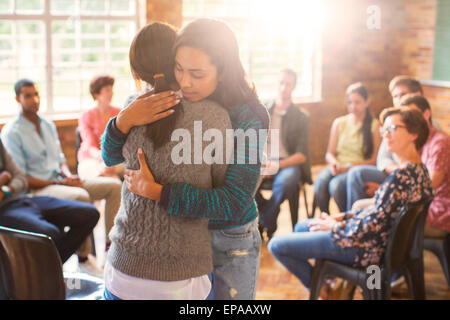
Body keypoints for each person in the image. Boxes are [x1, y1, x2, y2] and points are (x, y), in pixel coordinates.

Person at [101, 18, 270, 300]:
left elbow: (234, 200)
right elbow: (110, 154)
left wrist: (160, 192)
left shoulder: (250, 116)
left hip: (229, 236)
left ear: (223, 71)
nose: (185, 82)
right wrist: (123, 120)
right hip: (188, 240)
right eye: (178, 68)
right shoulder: (168, 101)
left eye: (197, 74)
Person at [268, 107, 433, 295]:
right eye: (384, 130)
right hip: (373, 242)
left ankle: (325, 290)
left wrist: (334, 226)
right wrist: (343, 217)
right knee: (302, 227)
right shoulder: (419, 171)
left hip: (362, 248)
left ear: (413, 134)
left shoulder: (400, 177)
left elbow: (371, 225)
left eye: (393, 128)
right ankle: (329, 282)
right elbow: (379, 212)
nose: (386, 135)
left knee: (276, 245)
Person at [1, 79, 122, 268]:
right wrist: (60, 183)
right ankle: (84, 257)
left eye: (36, 94)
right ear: (18, 98)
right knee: (80, 196)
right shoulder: (11, 132)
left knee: (114, 187)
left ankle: (110, 248)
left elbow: (60, 159)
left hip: (60, 181)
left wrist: (68, 176)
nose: (34, 99)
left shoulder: (47, 125)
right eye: (28, 95)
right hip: (39, 189)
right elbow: (22, 178)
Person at [0, 138, 100, 265]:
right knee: (51, 234)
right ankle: (50, 271)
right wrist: (5, 177)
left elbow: (20, 178)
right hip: (4, 210)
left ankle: (49, 269)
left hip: (23, 199)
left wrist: (5, 188)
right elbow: (10, 175)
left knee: (90, 213)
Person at [345, 76, 424, 210]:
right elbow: (382, 158)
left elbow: (415, 177)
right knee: (347, 179)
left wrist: (390, 184)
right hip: (394, 173)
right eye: (395, 96)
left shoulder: (422, 128)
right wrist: (395, 176)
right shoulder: (393, 120)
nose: (399, 100)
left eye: (403, 95)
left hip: (402, 180)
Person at [255, 68, 311, 239]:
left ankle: (265, 220)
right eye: (281, 83)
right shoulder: (262, 109)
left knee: (286, 182)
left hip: (288, 163)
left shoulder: (301, 116)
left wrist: (277, 165)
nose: (283, 88)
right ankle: (269, 217)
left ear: (293, 87)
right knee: (244, 177)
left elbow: (302, 155)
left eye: (288, 84)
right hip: (264, 160)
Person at [313, 82, 380, 213]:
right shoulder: (339, 123)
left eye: (357, 102)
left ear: (367, 102)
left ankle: (348, 218)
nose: (353, 106)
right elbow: (329, 153)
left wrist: (347, 168)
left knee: (336, 186)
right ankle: (325, 217)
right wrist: (334, 163)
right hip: (338, 166)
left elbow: (374, 160)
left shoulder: (375, 126)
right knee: (320, 183)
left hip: (356, 169)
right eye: (350, 102)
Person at [396, 95, 450, 238]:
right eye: (406, 118)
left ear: (426, 114)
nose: (409, 122)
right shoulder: (419, 138)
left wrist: (395, 192)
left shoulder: (440, 142)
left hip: (439, 209)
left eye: (413, 116)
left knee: (386, 218)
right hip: (421, 203)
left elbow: (428, 187)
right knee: (365, 207)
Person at [77, 74, 123, 180]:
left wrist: (110, 160)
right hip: (91, 157)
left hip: (114, 158)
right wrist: (102, 158)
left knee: (109, 171)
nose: (111, 93)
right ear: (96, 94)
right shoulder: (86, 116)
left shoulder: (120, 113)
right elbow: (89, 144)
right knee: (102, 175)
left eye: (111, 89)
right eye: (107, 90)